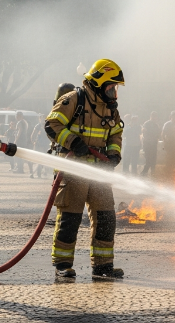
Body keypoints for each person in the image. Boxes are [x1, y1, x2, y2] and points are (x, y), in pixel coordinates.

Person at [45, 59, 125, 280]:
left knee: (106, 218)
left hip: (98, 173)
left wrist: (114, 154)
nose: (114, 92)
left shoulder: (110, 108)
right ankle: (62, 265)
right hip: (72, 171)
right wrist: (73, 142)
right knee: (70, 219)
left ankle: (103, 266)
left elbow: (116, 133)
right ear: (99, 83)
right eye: (111, 87)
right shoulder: (74, 99)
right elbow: (52, 125)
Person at [140, 112, 160, 177]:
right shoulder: (147, 123)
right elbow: (144, 131)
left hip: (154, 144)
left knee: (153, 159)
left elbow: (158, 134)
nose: (155, 118)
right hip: (148, 144)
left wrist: (156, 138)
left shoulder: (156, 125)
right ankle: (143, 173)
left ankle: (153, 173)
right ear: (151, 116)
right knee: (148, 160)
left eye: (156, 116)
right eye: (153, 116)